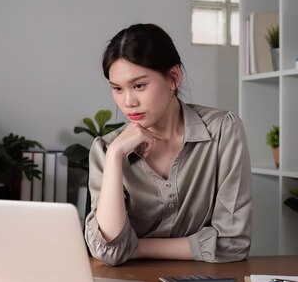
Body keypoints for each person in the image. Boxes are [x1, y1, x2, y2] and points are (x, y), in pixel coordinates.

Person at [85, 23, 252, 266]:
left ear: (173, 77)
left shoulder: (222, 130)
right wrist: (115, 157)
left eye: (139, 85)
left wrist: (137, 248)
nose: (128, 101)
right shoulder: (107, 149)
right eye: (117, 89)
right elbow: (109, 251)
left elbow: (233, 243)